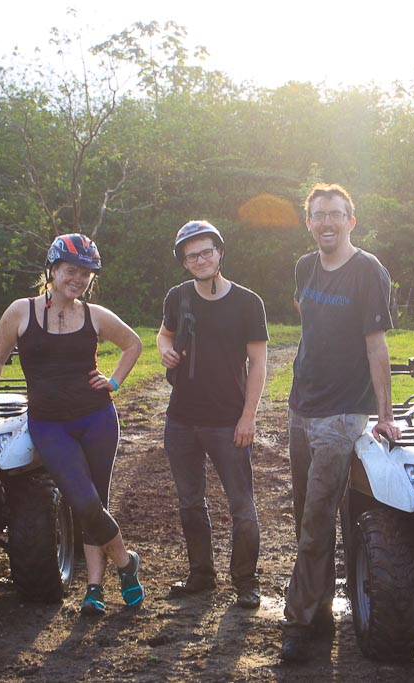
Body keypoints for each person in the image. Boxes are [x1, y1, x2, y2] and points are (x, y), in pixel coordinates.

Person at [0, 233, 145, 616]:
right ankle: (126, 563)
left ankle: (94, 589)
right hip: (49, 425)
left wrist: (113, 381)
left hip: (97, 419)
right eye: (71, 270)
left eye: (85, 274)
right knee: (83, 501)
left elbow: (133, 343)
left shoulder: (95, 316)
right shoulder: (20, 312)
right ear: (52, 270)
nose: (78, 279)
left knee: (96, 500)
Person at [280, 184, 401, 662]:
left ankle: (299, 622)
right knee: (305, 512)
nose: (326, 222)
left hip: (343, 413)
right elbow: (310, 326)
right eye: (317, 215)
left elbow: (376, 346)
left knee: (315, 520)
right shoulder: (304, 267)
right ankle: (322, 609)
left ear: (351, 220)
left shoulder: (368, 271)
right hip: (300, 408)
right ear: (308, 222)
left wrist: (385, 416)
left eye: (335, 214)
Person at [157, 220, 269, 609]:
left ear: (220, 252)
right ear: (184, 263)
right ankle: (200, 575)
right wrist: (164, 350)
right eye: (192, 256)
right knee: (190, 502)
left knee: (242, 505)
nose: (201, 259)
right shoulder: (178, 297)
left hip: (228, 421)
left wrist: (248, 416)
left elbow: (258, 365)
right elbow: (164, 333)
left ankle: (246, 581)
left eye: (207, 251)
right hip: (181, 419)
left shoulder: (248, 302)